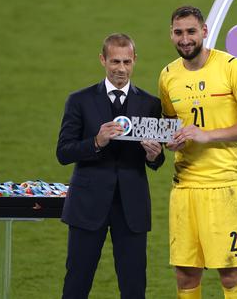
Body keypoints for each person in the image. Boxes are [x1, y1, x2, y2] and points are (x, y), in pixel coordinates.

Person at [159, 6, 237, 299]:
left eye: (191, 32)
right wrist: (171, 140)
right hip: (184, 188)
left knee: (231, 273)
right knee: (185, 273)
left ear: (204, 32)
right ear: (171, 34)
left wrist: (207, 135)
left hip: (226, 186)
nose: (185, 39)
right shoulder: (168, 76)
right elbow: (171, 125)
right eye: (179, 32)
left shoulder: (232, 67)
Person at [56, 33, 165, 299]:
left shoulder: (151, 104)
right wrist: (96, 141)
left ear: (135, 60)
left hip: (132, 206)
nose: (121, 69)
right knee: (77, 282)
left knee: (134, 285)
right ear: (102, 60)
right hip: (87, 205)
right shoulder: (79, 100)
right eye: (115, 61)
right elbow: (63, 152)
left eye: (127, 62)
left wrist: (154, 156)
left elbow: (158, 158)